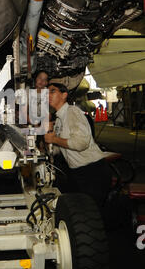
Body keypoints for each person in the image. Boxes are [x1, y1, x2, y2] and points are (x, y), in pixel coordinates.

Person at [44, 82, 112, 211]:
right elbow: (58, 150)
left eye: (52, 91)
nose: (48, 95)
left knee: (91, 214)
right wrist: (49, 137)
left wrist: (54, 139)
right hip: (78, 173)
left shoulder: (72, 112)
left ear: (64, 95)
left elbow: (80, 143)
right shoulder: (59, 119)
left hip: (92, 172)